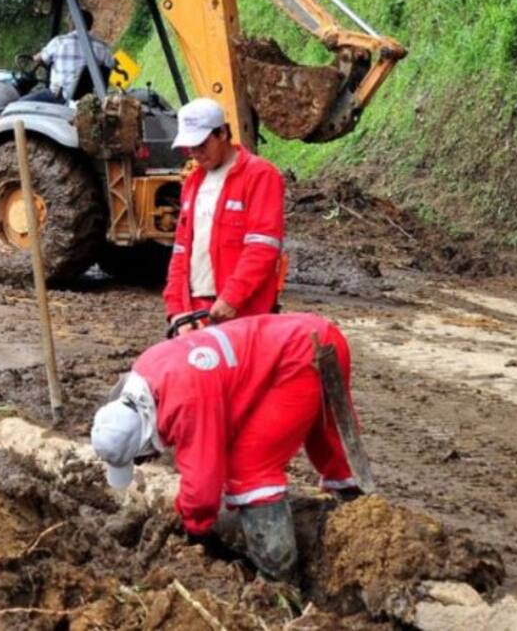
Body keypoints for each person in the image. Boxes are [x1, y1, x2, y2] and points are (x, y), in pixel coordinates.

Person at [90, 311, 360, 582]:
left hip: (301, 354)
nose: (145, 461)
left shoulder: (183, 400)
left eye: (139, 459)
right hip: (313, 332)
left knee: (249, 468)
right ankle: (352, 505)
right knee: (326, 432)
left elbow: (204, 481)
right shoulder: (148, 367)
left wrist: (194, 531)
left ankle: (279, 576)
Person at [163, 98, 284, 328]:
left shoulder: (259, 176)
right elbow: (180, 252)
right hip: (196, 311)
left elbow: (262, 247)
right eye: (190, 147)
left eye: (202, 144)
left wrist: (232, 297)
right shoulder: (192, 183)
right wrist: (176, 310)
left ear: (223, 133)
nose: (195, 153)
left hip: (242, 312)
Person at [22, 9, 116, 103]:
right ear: (90, 26)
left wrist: (35, 57)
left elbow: (39, 59)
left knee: (18, 104)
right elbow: (112, 65)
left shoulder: (59, 42)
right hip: (87, 101)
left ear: (71, 25)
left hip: (58, 98)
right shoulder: (102, 47)